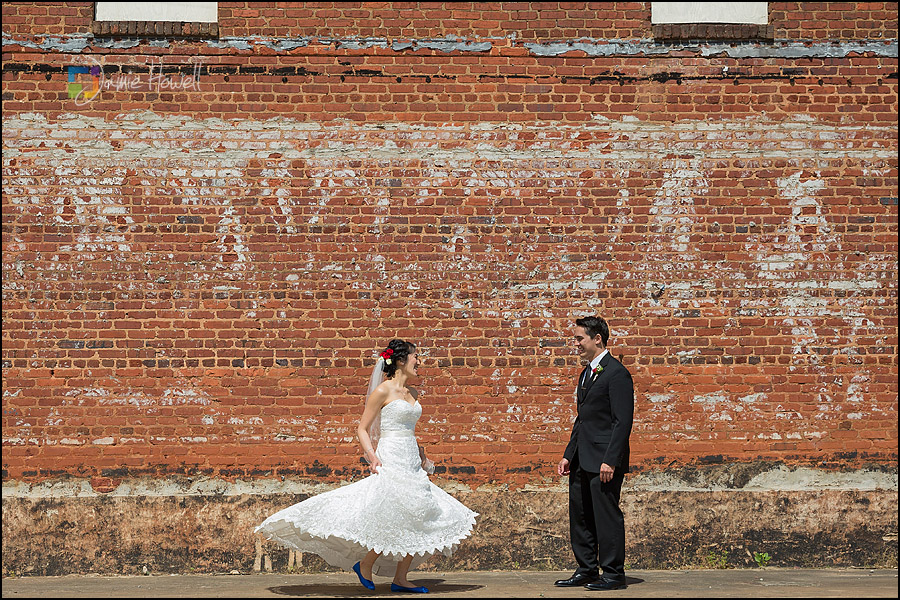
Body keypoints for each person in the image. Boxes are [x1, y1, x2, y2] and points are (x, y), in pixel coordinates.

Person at [255, 339, 477, 594]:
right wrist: (372, 456)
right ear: (401, 361)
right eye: (416, 357)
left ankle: (401, 578)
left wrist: (423, 458)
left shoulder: (413, 394)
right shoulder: (382, 391)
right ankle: (365, 564)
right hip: (390, 456)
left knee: (418, 513)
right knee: (394, 514)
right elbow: (362, 428)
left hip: (410, 459)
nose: (420, 362)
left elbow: (409, 431)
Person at [555, 316, 634, 591]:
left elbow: (622, 422)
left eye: (579, 338)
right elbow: (583, 418)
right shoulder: (587, 373)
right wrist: (568, 454)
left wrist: (610, 460)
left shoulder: (617, 373)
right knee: (581, 516)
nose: (575, 343)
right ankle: (587, 569)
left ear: (597, 339)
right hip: (581, 458)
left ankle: (613, 574)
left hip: (603, 461)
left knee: (606, 516)